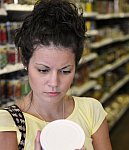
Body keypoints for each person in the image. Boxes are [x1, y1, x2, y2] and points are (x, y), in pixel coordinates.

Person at [0, 0, 112, 150]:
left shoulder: (92, 111)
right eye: (43, 70)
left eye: (65, 71)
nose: (54, 82)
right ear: (25, 61)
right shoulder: (8, 123)